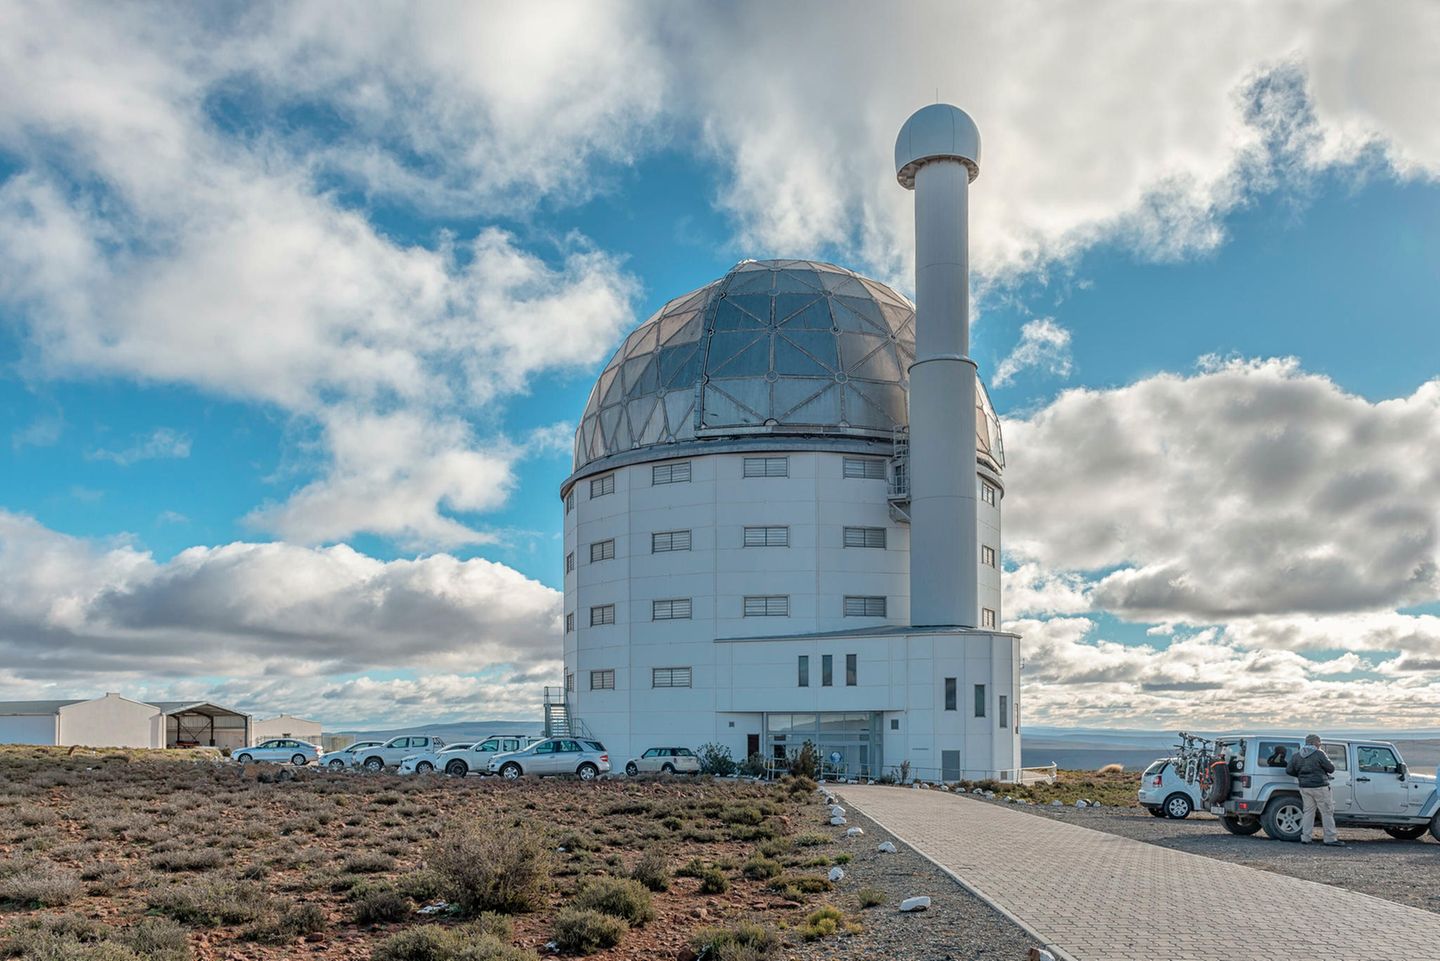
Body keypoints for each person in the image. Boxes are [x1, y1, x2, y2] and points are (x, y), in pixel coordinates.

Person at [1286, 734, 1343, 846]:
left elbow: (1289, 770)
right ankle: (1330, 838)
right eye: (1319, 742)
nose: (1320, 744)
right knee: (1326, 812)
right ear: (1314, 743)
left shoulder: (1297, 755)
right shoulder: (1319, 753)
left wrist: (1300, 776)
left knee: (1308, 812)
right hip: (1320, 786)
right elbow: (1331, 769)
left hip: (1304, 787)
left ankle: (1306, 837)